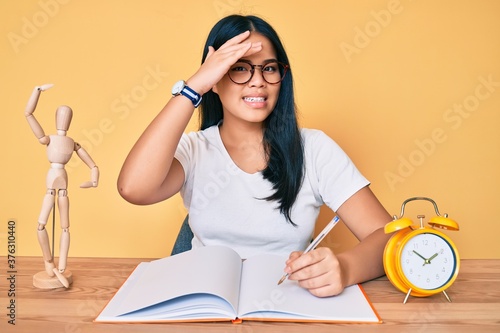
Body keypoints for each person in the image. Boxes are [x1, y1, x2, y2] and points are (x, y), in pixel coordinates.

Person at [117, 14, 392, 297]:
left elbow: (388, 234)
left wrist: (345, 268)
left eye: (269, 68)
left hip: (285, 300)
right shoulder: (194, 149)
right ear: (214, 78)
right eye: (239, 68)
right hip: (204, 303)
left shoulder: (315, 149)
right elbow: (133, 188)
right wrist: (193, 87)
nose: (258, 81)